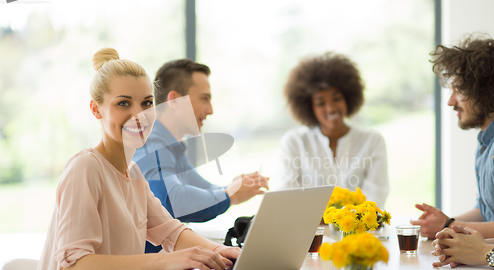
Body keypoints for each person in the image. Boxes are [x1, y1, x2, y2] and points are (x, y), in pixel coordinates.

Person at [33, 49, 240, 270]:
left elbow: (172, 233)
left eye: (146, 103)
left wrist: (223, 252)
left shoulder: (134, 174)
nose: (139, 115)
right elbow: (73, 269)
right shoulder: (85, 168)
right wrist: (163, 261)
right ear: (96, 110)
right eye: (123, 103)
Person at [132, 59, 269, 253]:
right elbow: (173, 201)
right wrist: (229, 194)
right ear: (174, 101)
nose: (210, 110)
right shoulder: (150, 144)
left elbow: (203, 188)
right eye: (204, 98)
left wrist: (233, 186)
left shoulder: (172, 146)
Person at [276, 52, 389, 206]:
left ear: (348, 98)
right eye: (321, 103)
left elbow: (376, 196)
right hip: (310, 230)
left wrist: (339, 217)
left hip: (359, 229)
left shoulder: (372, 141)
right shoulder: (294, 142)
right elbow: (287, 197)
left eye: (336, 99)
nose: (330, 108)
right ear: (309, 108)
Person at [412, 36, 494, 239]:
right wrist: (442, 224)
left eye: (459, 90)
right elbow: (485, 213)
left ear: (485, 93)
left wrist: (448, 225)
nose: (450, 101)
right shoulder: (485, 143)